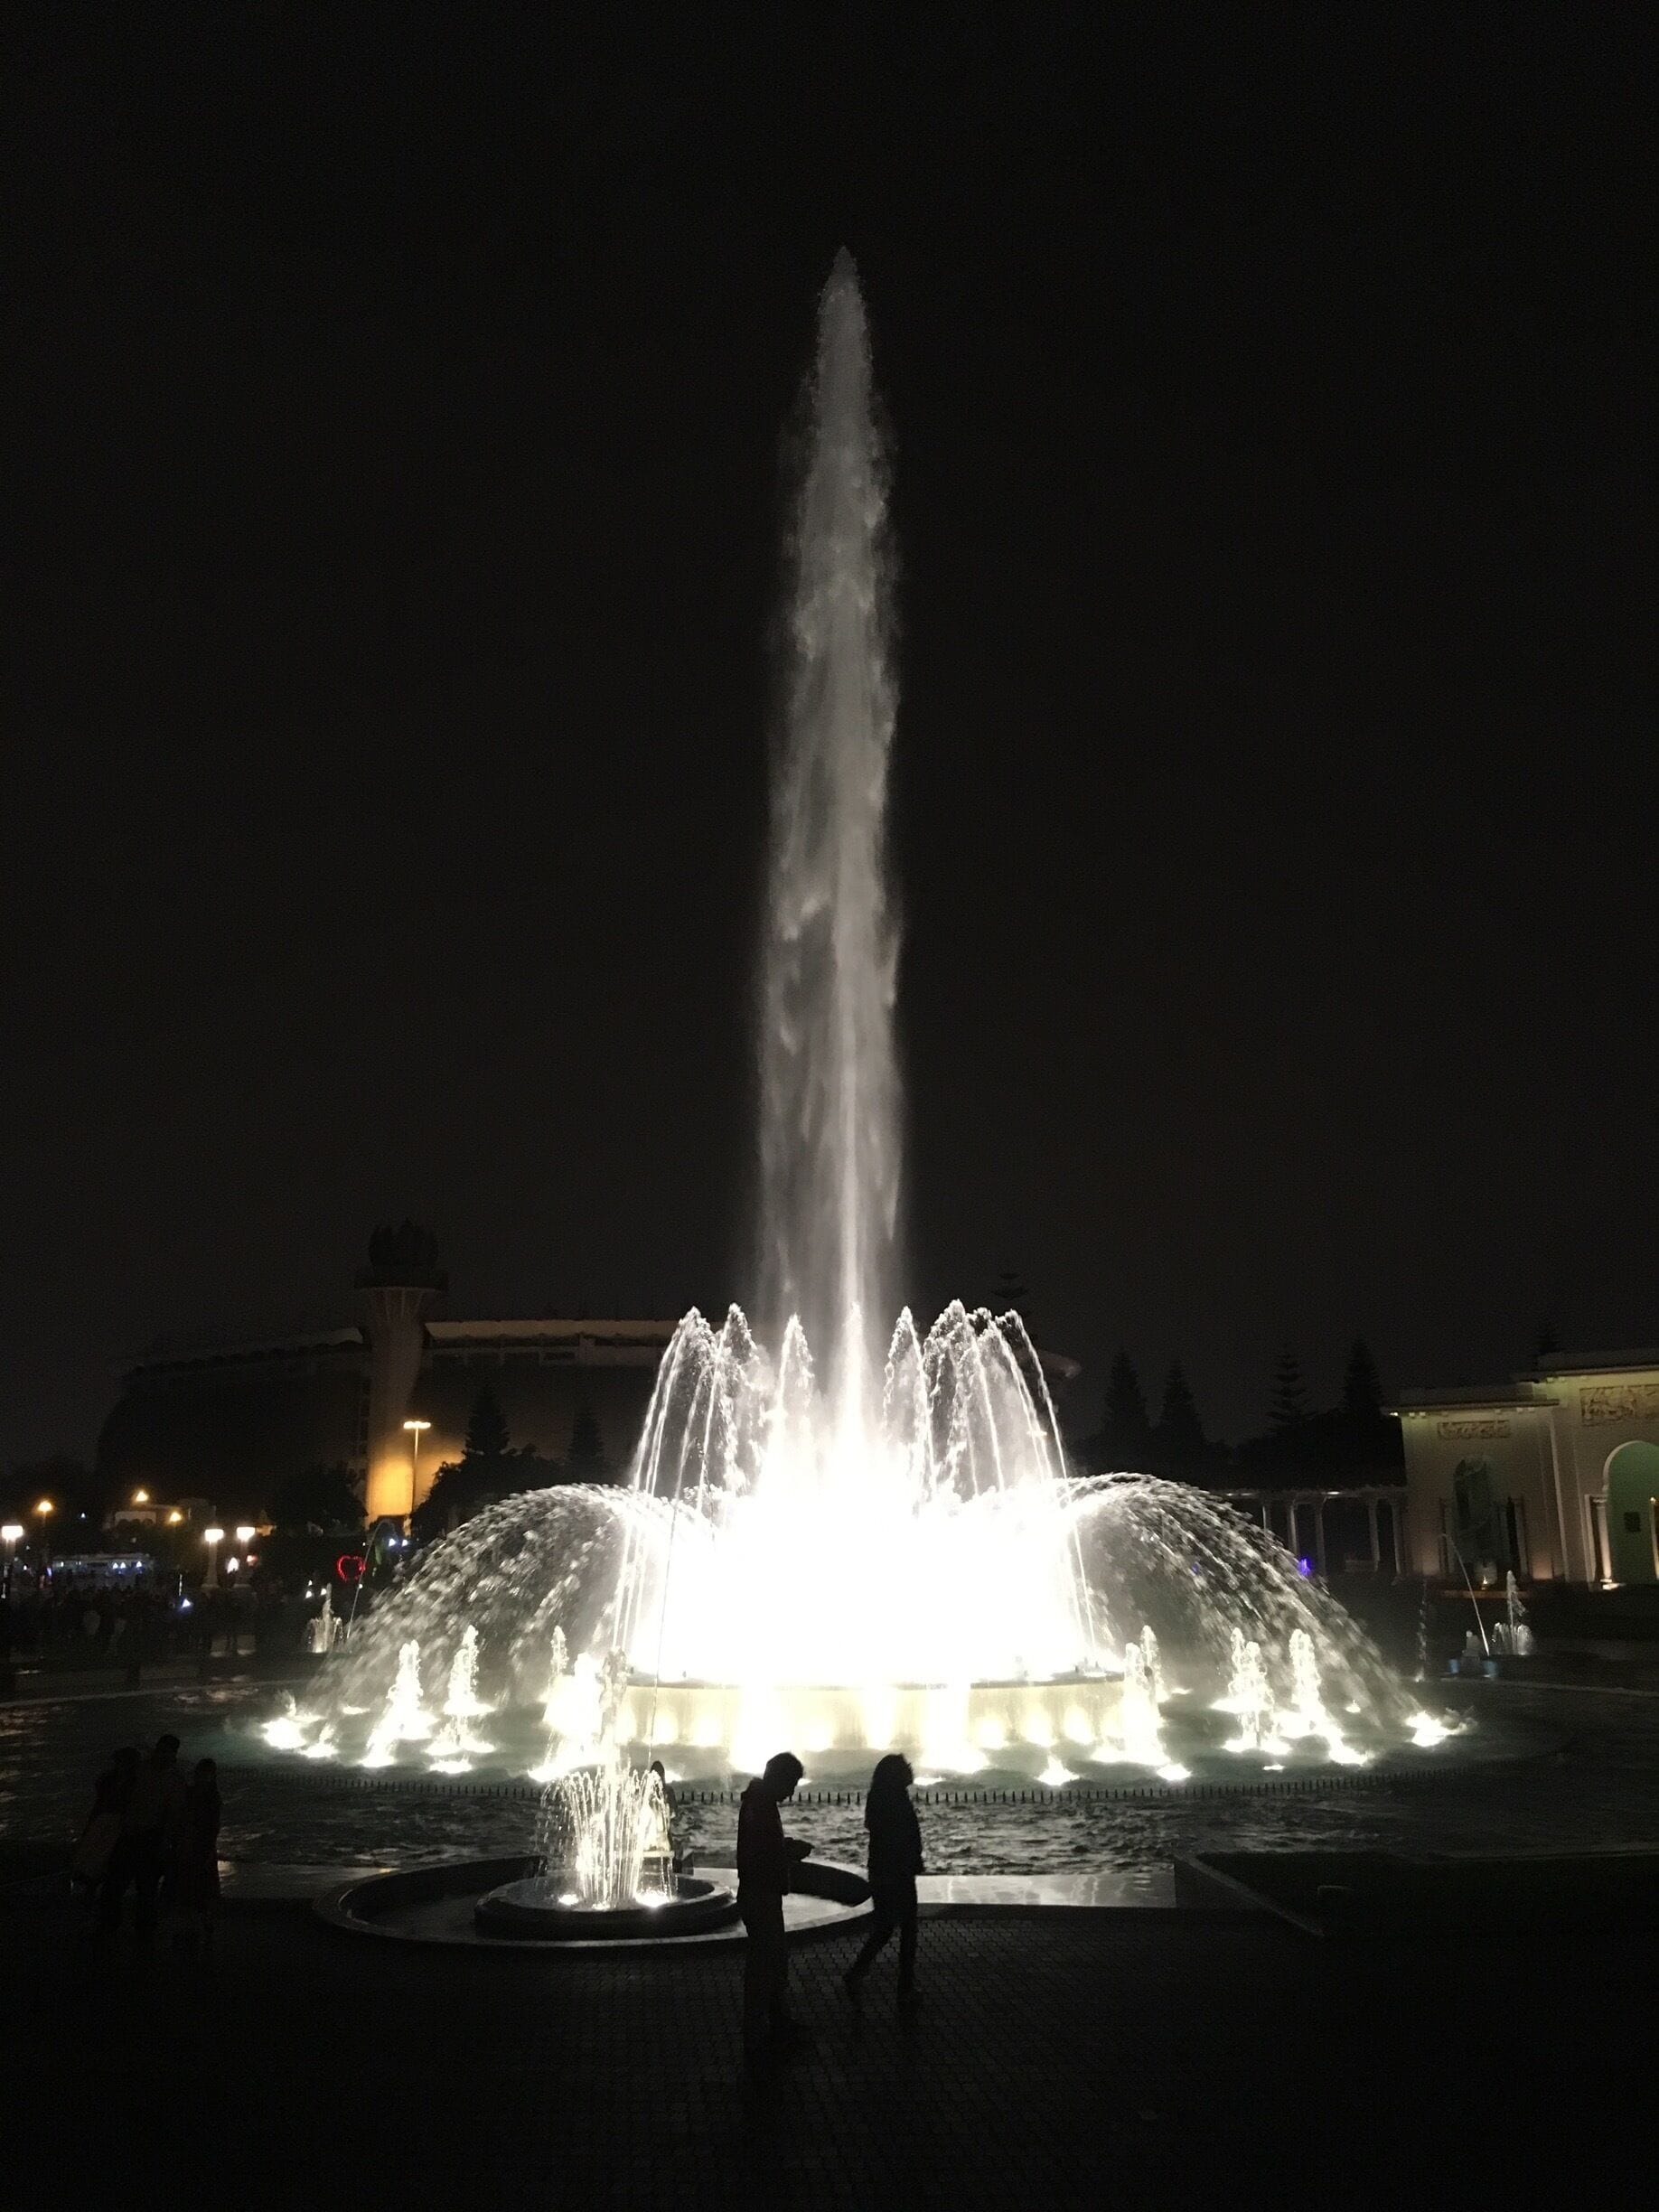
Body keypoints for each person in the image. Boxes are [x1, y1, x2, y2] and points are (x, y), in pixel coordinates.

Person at [736, 1750, 811, 2073]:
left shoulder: (758, 1802)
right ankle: (757, 2032)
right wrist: (789, 1851)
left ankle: (774, 2021)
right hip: (760, 1894)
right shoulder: (761, 1806)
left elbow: (760, 1846)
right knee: (765, 1963)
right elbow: (762, 1852)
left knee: (772, 1960)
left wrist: (784, 1847)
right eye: (791, 1783)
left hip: (759, 1892)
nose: (792, 1792)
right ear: (778, 1778)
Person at [844, 1753, 923, 2004]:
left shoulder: (879, 1798)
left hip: (882, 1870)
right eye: (906, 1767)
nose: (910, 1770)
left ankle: (858, 1972)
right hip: (897, 1872)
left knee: (885, 1927)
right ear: (896, 1774)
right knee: (906, 1929)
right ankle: (904, 1988)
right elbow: (903, 1835)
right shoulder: (896, 1800)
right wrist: (911, 1858)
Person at [96, 1733, 187, 1938]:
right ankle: (125, 1928)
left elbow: (173, 1815)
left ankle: (124, 1927)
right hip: (136, 1835)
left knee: (136, 1887)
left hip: (146, 1837)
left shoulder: (149, 1772)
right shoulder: (165, 1777)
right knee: (126, 1885)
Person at [70, 1746, 140, 1903]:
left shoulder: (116, 1780)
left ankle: (92, 1889)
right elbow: (100, 1802)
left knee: (99, 1858)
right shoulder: (116, 1780)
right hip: (109, 1821)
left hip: (115, 1821)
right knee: (96, 1857)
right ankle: (92, 1889)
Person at [170, 1758, 221, 1953]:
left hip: (196, 1847)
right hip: (193, 1846)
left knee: (193, 1888)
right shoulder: (209, 1796)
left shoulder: (201, 1796)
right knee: (195, 1888)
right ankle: (198, 1928)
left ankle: (195, 1928)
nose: (202, 1777)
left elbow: (212, 1827)